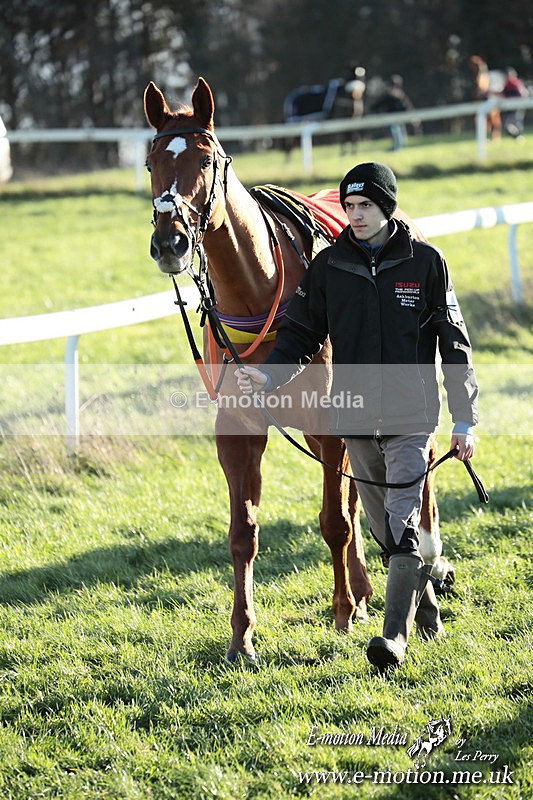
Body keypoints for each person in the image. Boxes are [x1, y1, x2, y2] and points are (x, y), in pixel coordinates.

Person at [235, 162, 478, 672]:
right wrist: (267, 378)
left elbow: (455, 345)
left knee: (402, 523)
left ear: (386, 207)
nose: (355, 215)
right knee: (382, 529)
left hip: (412, 416)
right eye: (348, 207)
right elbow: (300, 333)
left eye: (365, 206)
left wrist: (464, 419)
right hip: (355, 420)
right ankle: (423, 598)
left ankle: (392, 640)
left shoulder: (427, 262)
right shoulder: (329, 267)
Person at [373, 75, 417, 151]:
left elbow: (406, 105)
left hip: (395, 117)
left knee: (396, 131)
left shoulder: (393, 95)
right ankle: (400, 146)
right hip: (396, 116)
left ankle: (398, 147)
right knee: (399, 131)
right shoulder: (398, 94)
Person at [501, 67, 529, 138]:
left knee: (515, 121)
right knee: (516, 121)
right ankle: (518, 136)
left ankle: (518, 136)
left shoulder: (513, 82)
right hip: (514, 106)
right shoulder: (514, 83)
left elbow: (522, 94)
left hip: (517, 105)